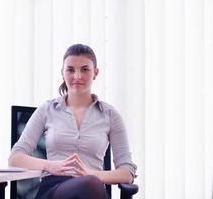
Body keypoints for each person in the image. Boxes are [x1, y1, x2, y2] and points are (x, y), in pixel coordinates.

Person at [8, 44, 137, 199]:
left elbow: (127, 172)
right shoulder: (47, 110)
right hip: (53, 189)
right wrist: (50, 166)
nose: (77, 76)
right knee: (89, 185)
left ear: (95, 73)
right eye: (70, 70)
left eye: (84, 69)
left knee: (89, 184)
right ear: (62, 73)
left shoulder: (110, 115)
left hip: (92, 187)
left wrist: (91, 174)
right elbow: (15, 158)